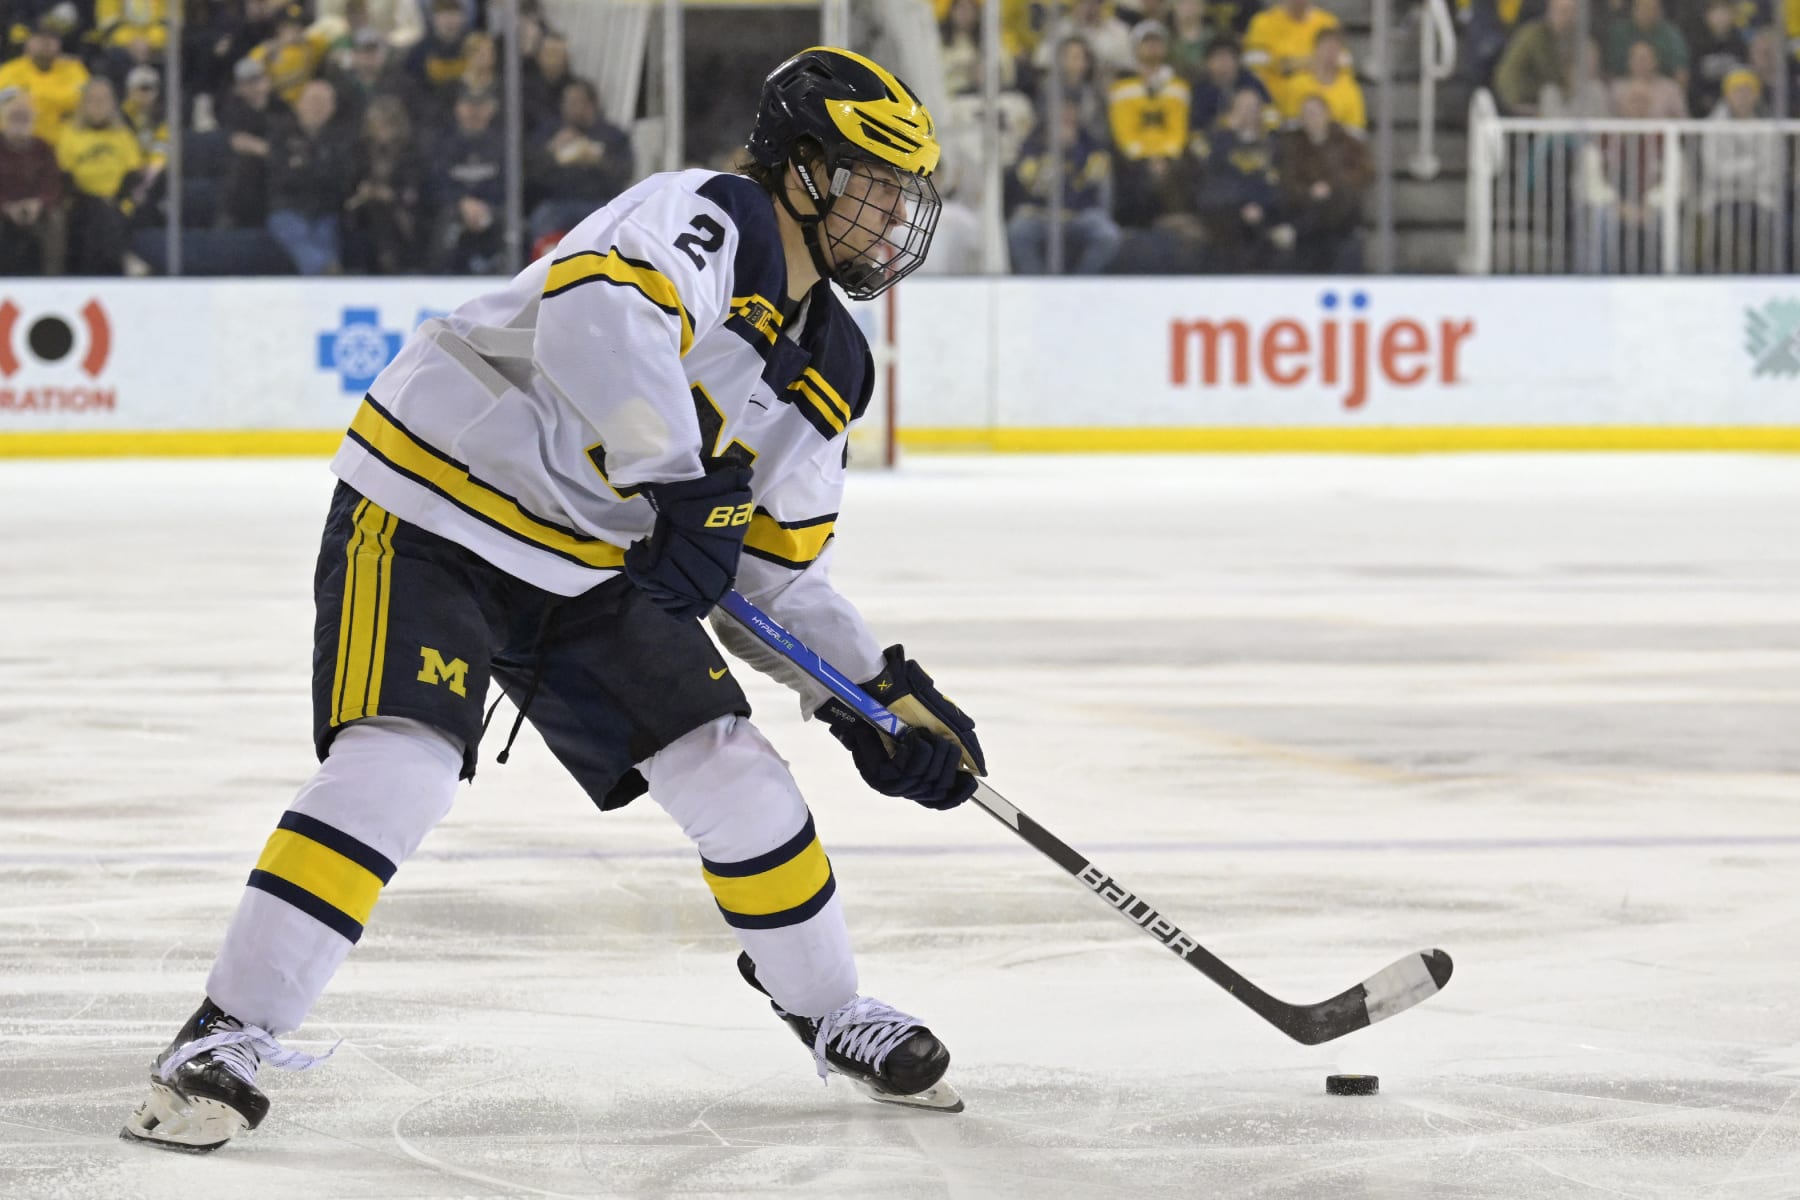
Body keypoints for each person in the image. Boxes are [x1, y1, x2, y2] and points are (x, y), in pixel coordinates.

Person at [120, 45, 977, 1153]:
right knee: (400, 766)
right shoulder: (712, 215)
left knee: (736, 772)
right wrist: (677, 478)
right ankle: (221, 1037)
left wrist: (874, 698)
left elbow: (770, 567)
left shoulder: (833, 366)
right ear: (805, 169)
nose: (892, 213)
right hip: (436, 509)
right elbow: (598, 319)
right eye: (873, 180)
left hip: (587, 562)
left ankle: (833, 1011)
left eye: (905, 191)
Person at [55, 76, 150, 275]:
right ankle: (123, 257)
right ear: (83, 104)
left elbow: (133, 174)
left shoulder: (123, 135)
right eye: (92, 100)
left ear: (112, 104)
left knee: (107, 215)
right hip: (81, 202)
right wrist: (94, 199)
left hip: (118, 202)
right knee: (96, 211)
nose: (98, 105)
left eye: (103, 100)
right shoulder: (69, 134)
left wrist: (115, 199)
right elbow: (65, 176)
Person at [527, 78, 634, 245]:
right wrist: (552, 153)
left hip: (600, 203)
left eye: (577, 102)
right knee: (544, 216)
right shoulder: (550, 133)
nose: (571, 107)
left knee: (617, 220)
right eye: (567, 102)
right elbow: (532, 175)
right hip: (559, 203)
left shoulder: (612, 135)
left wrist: (599, 161)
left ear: (591, 104)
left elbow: (624, 174)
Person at [265, 78, 353, 274]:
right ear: (299, 105)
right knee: (295, 232)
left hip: (325, 211)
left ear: (332, 108)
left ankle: (326, 279)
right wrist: (315, 170)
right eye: (313, 101)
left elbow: (340, 179)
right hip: (288, 208)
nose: (317, 107)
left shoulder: (341, 140)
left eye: (323, 102)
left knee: (326, 236)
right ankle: (325, 269)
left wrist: (304, 168)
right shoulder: (281, 134)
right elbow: (281, 176)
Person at [1275, 93, 1369, 272]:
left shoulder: (1348, 143)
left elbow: (1362, 174)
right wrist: (1309, 191)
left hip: (1340, 221)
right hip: (1305, 213)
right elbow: (1287, 180)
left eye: (1316, 113)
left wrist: (1330, 186)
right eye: (1307, 114)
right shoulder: (1292, 146)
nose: (1312, 118)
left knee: (1339, 201)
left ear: (1327, 114)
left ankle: (1298, 229)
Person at [0, 87, 67, 275]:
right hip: (4, 208)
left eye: (24, 118)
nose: (19, 124)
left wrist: (39, 203)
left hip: (36, 209)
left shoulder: (43, 148)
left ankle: (53, 279)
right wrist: (5, 206)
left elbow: (53, 184)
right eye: (14, 118)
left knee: (56, 218)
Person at [0, 19, 90, 142]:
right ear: (27, 42)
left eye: (52, 38)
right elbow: (9, 108)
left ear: (60, 43)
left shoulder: (75, 68)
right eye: (39, 37)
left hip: (67, 143)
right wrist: (61, 104)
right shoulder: (8, 71)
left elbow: (86, 102)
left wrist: (34, 98)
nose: (46, 43)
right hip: (24, 144)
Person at [1493, 0, 1580, 115]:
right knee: (1551, 93)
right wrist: (1568, 86)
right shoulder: (1536, 36)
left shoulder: (1568, 38)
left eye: (1572, 13)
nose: (1568, 18)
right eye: (1564, 11)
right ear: (1551, 11)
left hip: (1538, 92)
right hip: (1519, 95)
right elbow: (1549, 71)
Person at [1276, 26, 1366, 132]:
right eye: (1326, 47)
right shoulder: (1297, 84)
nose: (1329, 53)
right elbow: (1290, 124)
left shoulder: (1350, 88)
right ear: (1315, 49)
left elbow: (1356, 130)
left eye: (1335, 49)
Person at [1241, 0, 1340, 95]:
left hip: (1322, 99)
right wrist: (1314, 62)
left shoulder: (1328, 23)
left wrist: (1289, 64)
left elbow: (1341, 64)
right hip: (1274, 100)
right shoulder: (1262, 23)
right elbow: (1254, 70)